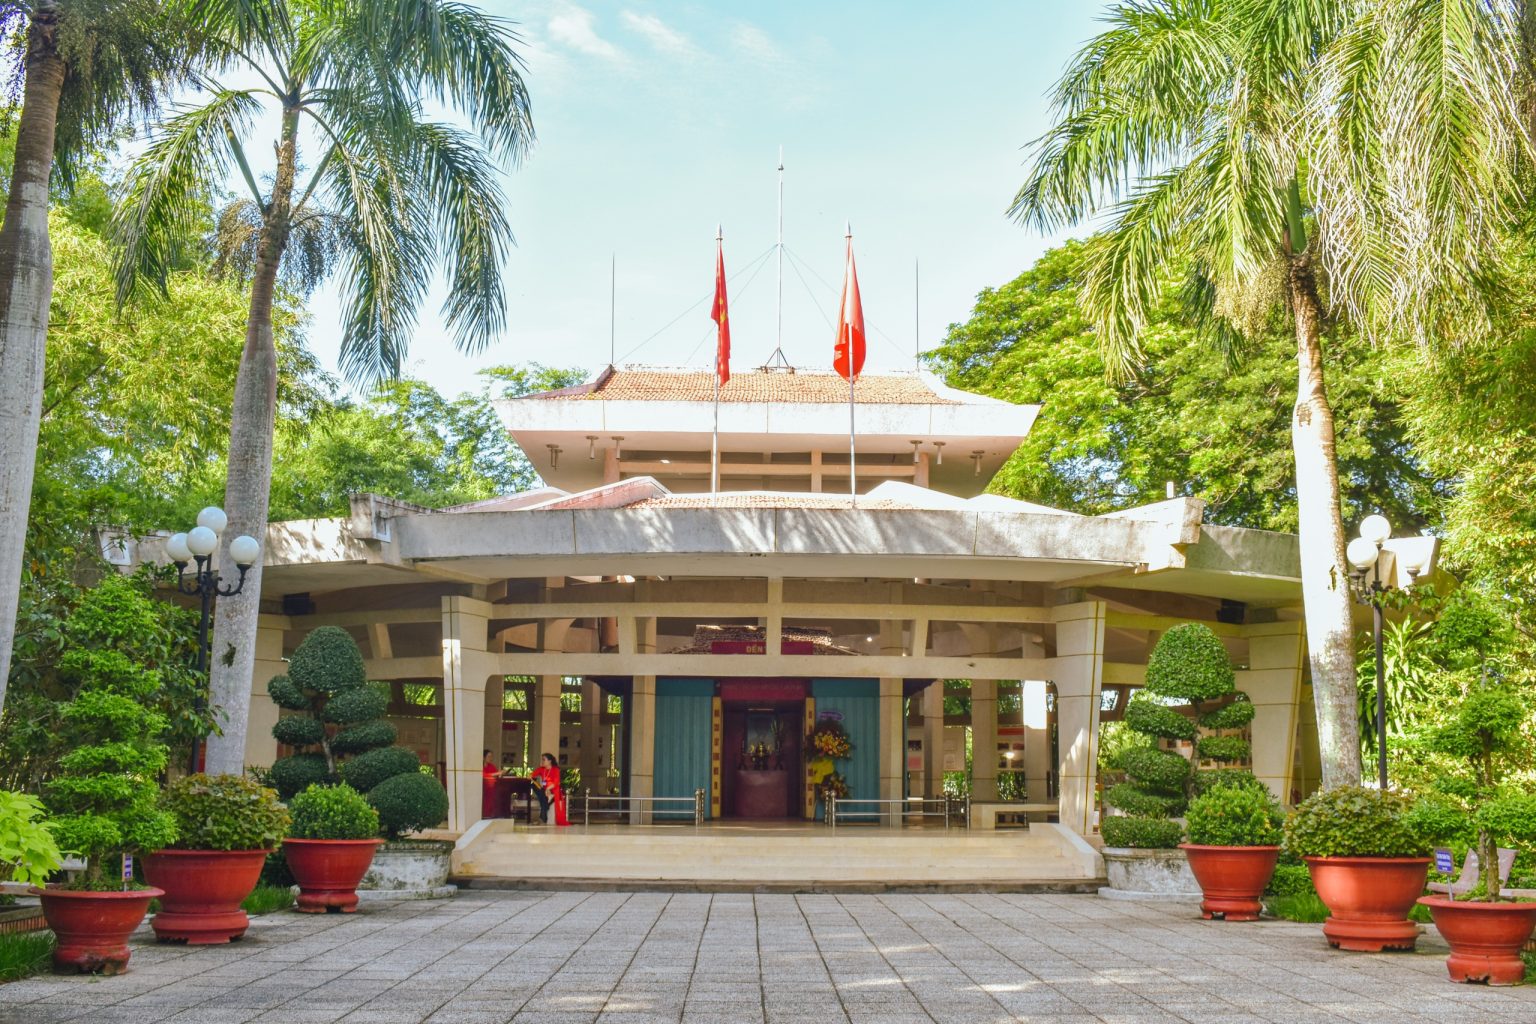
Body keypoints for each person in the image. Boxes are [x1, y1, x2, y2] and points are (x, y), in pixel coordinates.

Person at [530, 752, 570, 826]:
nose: (542, 761)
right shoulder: (541, 769)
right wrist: (531, 777)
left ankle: (542, 818)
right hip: (545, 792)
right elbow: (531, 775)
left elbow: (556, 783)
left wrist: (548, 789)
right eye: (542, 760)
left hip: (553, 790)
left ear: (549, 761)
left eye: (544, 760)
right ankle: (543, 818)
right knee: (531, 784)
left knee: (543, 798)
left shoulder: (555, 770)